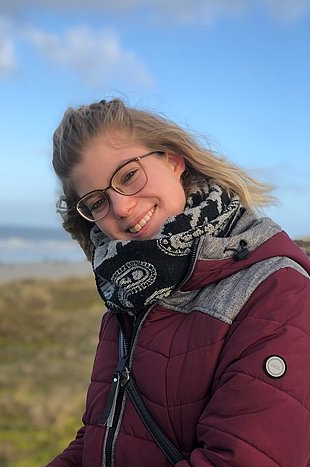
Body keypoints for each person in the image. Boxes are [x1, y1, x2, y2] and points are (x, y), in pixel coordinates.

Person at [47, 98, 310, 467]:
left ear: (172, 160)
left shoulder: (274, 288)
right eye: (97, 202)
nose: (120, 208)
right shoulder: (126, 296)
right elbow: (102, 434)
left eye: (128, 176)